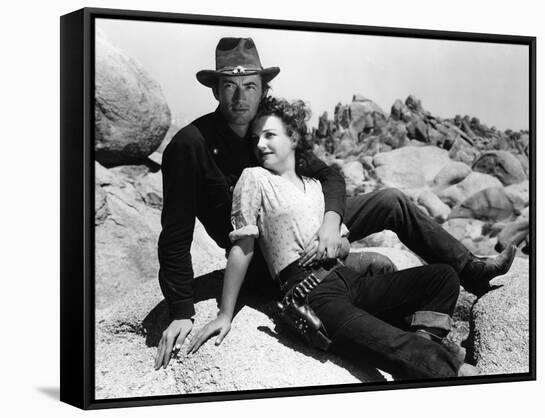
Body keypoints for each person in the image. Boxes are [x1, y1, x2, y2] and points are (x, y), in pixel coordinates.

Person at [155, 37, 516, 370]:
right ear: (216, 90)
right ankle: (428, 350)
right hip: (268, 260)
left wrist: (332, 223)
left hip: (308, 226)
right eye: (229, 87)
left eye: (250, 86)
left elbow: (328, 175)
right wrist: (182, 311)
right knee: (376, 266)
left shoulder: (268, 127)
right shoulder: (191, 145)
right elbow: (174, 234)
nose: (239, 98)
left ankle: (472, 271)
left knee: (390, 200)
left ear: (263, 88)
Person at [187, 97, 478, 379]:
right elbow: (242, 246)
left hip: (346, 277)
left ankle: (426, 348)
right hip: (311, 295)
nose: (260, 144)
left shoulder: (314, 185)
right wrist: (225, 314)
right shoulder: (254, 178)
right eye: (255, 138)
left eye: (269, 135)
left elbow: (345, 244)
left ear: (294, 138)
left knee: (444, 278)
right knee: (392, 343)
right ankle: (452, 370)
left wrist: (334, 244)